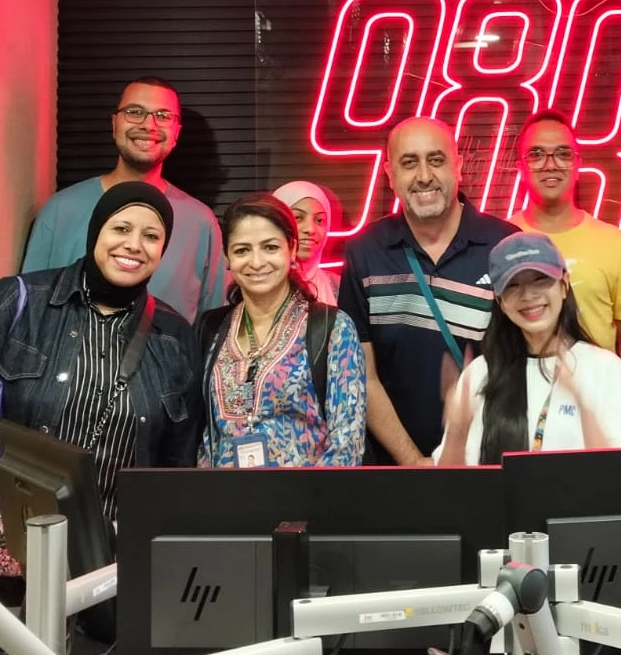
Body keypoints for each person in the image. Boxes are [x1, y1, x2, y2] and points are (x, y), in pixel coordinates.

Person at [0, 181, 202, 525]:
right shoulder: (19, 302)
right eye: (121, 229)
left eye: (151, 236)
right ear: (96, 231)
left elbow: (179, 461)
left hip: (119, 545)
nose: (134, 245)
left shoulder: (173, 336)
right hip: (13, 539)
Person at [338, 117, 519, 465]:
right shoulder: (365, 252)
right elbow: (363, 377)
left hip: (488, 462)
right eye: (409, 162)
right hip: (396, 469)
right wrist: (412, 461)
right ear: (389, 173)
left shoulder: (504, 245)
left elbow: (522, 367)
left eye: (436, 160)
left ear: (458, 166)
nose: (424, 176)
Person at [22, 77, 226, 322]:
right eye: (135, 112)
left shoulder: (201, 223)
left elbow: (212, 324)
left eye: (163, 116)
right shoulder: (60, 210)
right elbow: (29, 310)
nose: (148, 125)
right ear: (114, 123)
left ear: (176, 133)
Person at [435, 232, 621, 465]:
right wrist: (457, 431)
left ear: (564, 285)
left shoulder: (605, 369)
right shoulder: (480, 373)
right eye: (512, 285)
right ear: (500, 301)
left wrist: (583, 406)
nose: (528, 295)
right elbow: (449, 482)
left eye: (540, 280)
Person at [509, 110, 621, 430]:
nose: (550, 164)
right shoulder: (501, 241)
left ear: (578, 165)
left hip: (598, 412)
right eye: (536, 154)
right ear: (520, 166)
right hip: (520, 411)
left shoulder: (615, 243)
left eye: (562, 154)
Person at [195, 193, 365, 467]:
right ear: (227, 256)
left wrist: (309, 497)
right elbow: (202, 433)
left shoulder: (332, 328)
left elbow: (347, 445)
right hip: (221, 492)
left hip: (304, 494)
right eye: (242, 250)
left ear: (292, 248)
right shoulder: (211, 328)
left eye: (270, 247)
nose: (256, 262)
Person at [273, 180, 340, 305]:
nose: (310, 229)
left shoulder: (337, 286)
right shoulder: (257, 284)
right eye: (297, 218)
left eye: (319, 220)